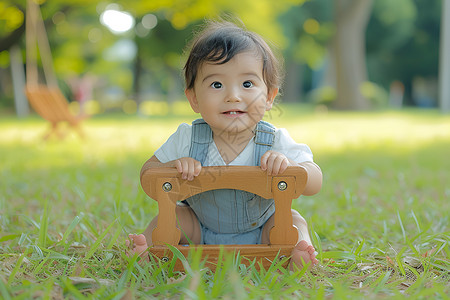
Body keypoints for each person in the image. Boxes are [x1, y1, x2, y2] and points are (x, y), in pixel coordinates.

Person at [127, 20, 322, 270]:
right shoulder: (187, 138)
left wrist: (292, 167)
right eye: (216, 85)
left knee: (294, 220)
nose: (233, 95)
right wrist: (172, 166)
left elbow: (315, 182)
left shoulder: (275, 140)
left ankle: (299, 254)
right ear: (194, 98)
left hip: (264, 231)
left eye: (247, 84)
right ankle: (149, 252)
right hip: (198, 228)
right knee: (172, 216)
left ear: (270, 97)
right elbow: (148, 177)